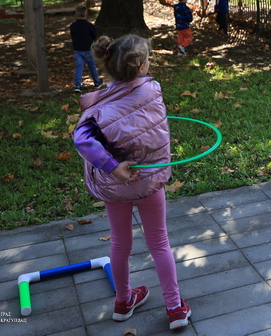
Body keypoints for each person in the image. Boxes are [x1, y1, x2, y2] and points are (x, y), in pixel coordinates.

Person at [73, 34, 192, 331]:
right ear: (140, 66)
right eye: (148, 59)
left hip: (115, 187)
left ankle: (123, 301)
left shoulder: (98, 106)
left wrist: (113, 167)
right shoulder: (153, 89)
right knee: (159, 243)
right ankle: (175, 307)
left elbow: (82, 139)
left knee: (120, 243)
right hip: (148, 182)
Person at [70, 4, 104, 93]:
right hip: (88, 49)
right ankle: (96, 82)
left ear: (76, 14)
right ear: (86, 14)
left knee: (79, 67)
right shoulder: (89, 26)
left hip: (77, 49)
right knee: (92, 66)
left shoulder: (73, 26)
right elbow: (94, 36)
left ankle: (77, 85)